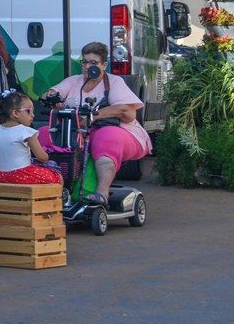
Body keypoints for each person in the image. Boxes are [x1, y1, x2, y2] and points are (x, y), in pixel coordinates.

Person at [38, 42, 151, 205]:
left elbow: (128, 112)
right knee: (44, 133)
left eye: (93, 63)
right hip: (79, 133)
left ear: (104, 65)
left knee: (105, 137)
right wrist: (51, 96)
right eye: (84, 62)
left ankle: (101, 192)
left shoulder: (114, 82)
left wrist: (93, 116)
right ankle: (50, 191)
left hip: (119, 132)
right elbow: (52, 92)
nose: (87, 66)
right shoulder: (75, 81)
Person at [0, 90, 61, 185]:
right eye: (28, 111)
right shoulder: (26, 132)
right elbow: (42, 157)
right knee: (57, 176)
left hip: (2, 175)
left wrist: (5, 156)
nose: (33, 115)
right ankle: (58, 199)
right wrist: (47, 157)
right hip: (23, 174)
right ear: (15, 113)